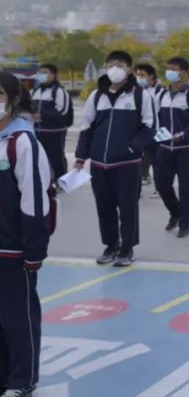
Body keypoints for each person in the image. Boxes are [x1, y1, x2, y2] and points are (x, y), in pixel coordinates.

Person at [75, 51, 155, 267]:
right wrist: (81, 157)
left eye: (119, 64)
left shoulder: (140, 95)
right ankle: (111, 244)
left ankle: (127, 248)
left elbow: (149, 127)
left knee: (127, 207)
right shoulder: (96, 96)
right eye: (110, 64)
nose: (114, 68)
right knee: (104, 206)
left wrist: (132, 147)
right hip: (99, 164)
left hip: (127, 164)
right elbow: (86, 127)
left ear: (129, 69)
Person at [0, 72, 53, 397]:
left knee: (17, 318)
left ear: (13, 99)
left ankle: (23, 379)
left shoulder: (22, 142)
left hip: (13, 249)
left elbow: (35, 200)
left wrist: (33, 250)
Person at [154, 57, 189, 239]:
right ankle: (175, 211)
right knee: (161, 184)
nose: (170, 72)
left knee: (186, 188)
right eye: (168, 68)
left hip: (186, 149)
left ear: (183, 72)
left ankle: (185, 222)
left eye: (173, 69)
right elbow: (154, 119)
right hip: (164, 148)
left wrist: (183, 135)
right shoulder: (161, 95)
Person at [29, 63, 70, 183]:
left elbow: (62, 110)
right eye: (40, 72)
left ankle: (61, 181)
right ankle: (43, 181)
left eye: (45, 72)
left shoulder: (59, 91)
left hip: (54, 132)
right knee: (38, 157)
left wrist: (42, 116)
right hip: (36, 130)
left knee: (56, 158)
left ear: (54, 75)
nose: (41, 75)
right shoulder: (34, 91)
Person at [134, 63, 163, 190]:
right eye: (138, 75)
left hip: (156, 131)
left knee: (155, 159)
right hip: (139, 130)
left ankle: (159, 186)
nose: (139, 78)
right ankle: (139, 182)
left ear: (151, 76)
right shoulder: (136, 91)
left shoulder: (160, 92)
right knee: (139, 157)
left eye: (142, 75)